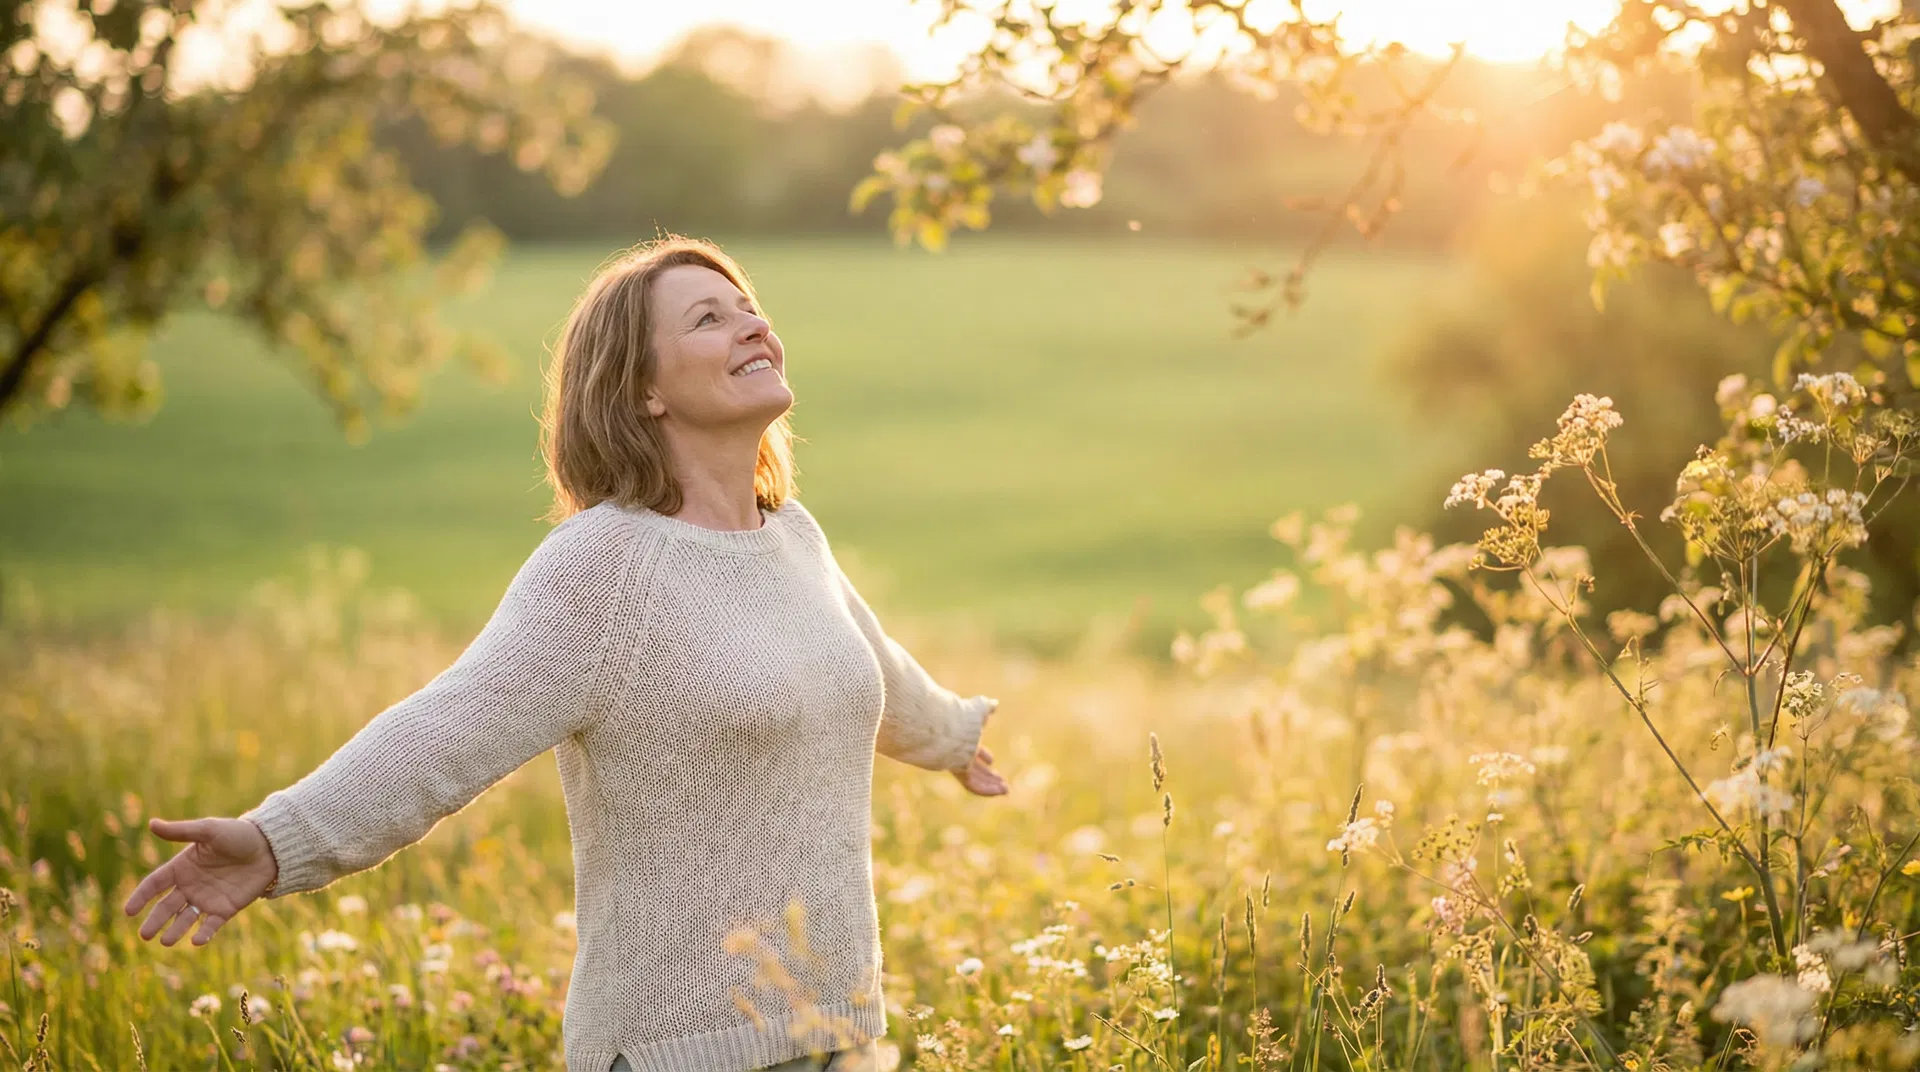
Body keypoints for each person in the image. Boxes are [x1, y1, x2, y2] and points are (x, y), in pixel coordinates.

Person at [122, 236, 1010, 1072]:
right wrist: (279, 840)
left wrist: (953, 738)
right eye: (708, 318)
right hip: (677, 1047)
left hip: (838, 1029)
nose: (752, 324)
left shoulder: (794, 538)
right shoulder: (604, 568)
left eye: (748, 307)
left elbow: (870, 672)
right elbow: (446, 731)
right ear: (642, 392)